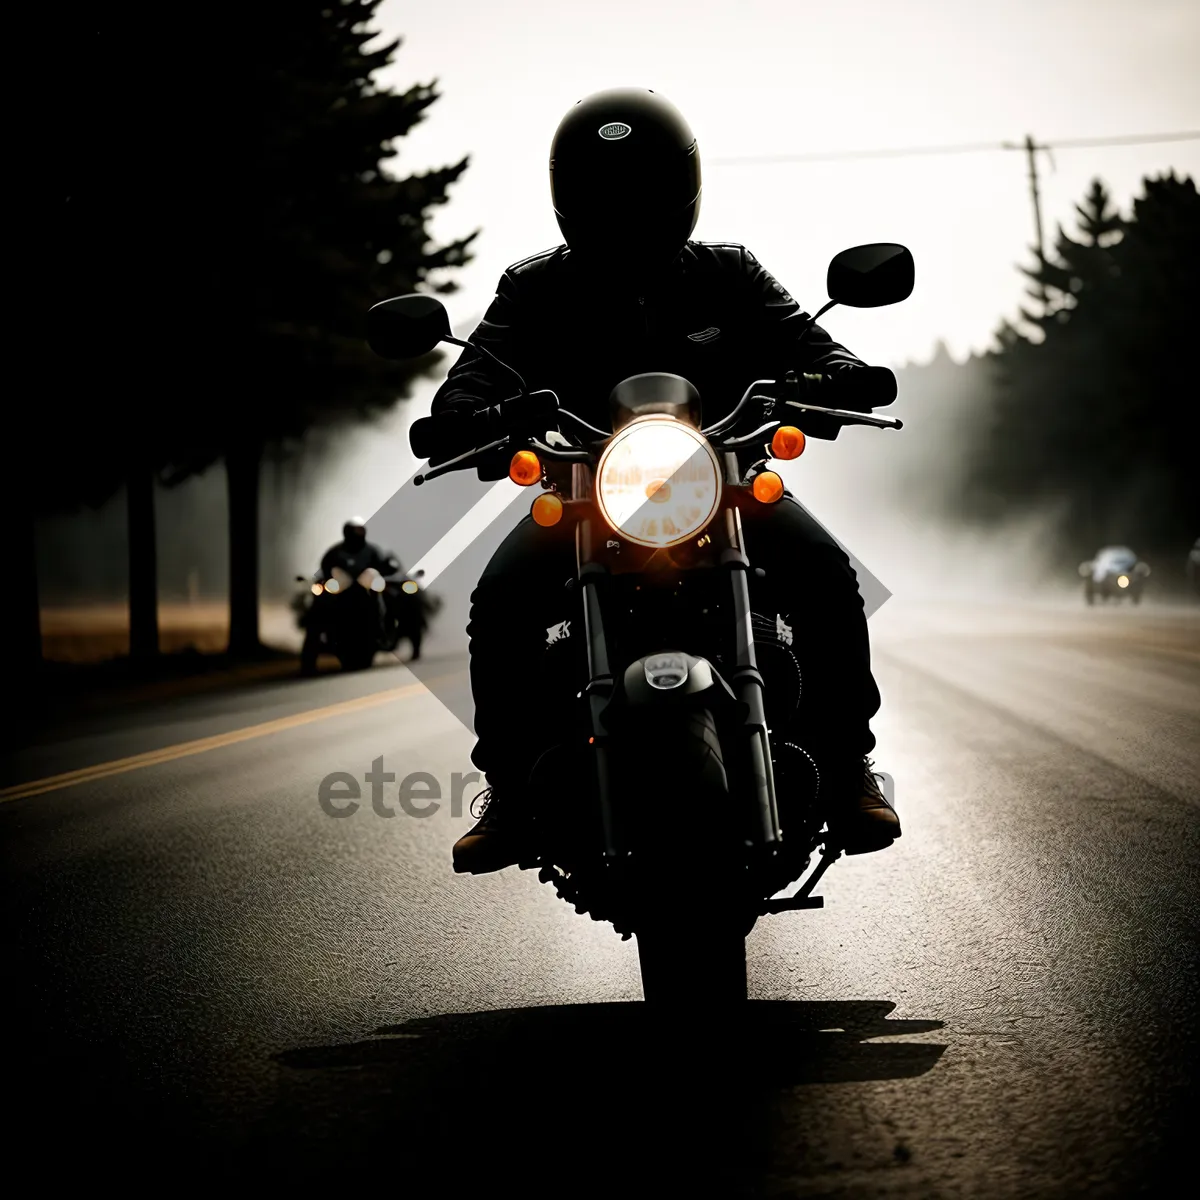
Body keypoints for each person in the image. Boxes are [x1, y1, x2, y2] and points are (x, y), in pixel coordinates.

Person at [426, 88, 901, 873]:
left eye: (640, 187)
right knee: (501, 596)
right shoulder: (534, 290)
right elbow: (471, 380)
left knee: (824, 571)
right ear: (566, 195)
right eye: (602, 189)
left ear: (680, 187)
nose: (623, 207)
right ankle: (511, 791)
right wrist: (466, 416)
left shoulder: (730, 274)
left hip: (729, 489)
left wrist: (839, 377)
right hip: (584, 499)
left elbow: (808, 341)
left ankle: (847, 769)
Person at [300, 517, 402, 674]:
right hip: (340, 593)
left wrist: (383, 576)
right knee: (316, 614)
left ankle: (383, 630)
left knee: (392, 599)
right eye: (354, 530)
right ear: (346, 532)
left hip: (366, 592)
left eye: (360, 530)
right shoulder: (335, 552)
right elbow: (325, 570)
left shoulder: (372, 551)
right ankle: (309, 659)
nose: (357, 534)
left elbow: (382, 568)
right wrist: (324, 582)